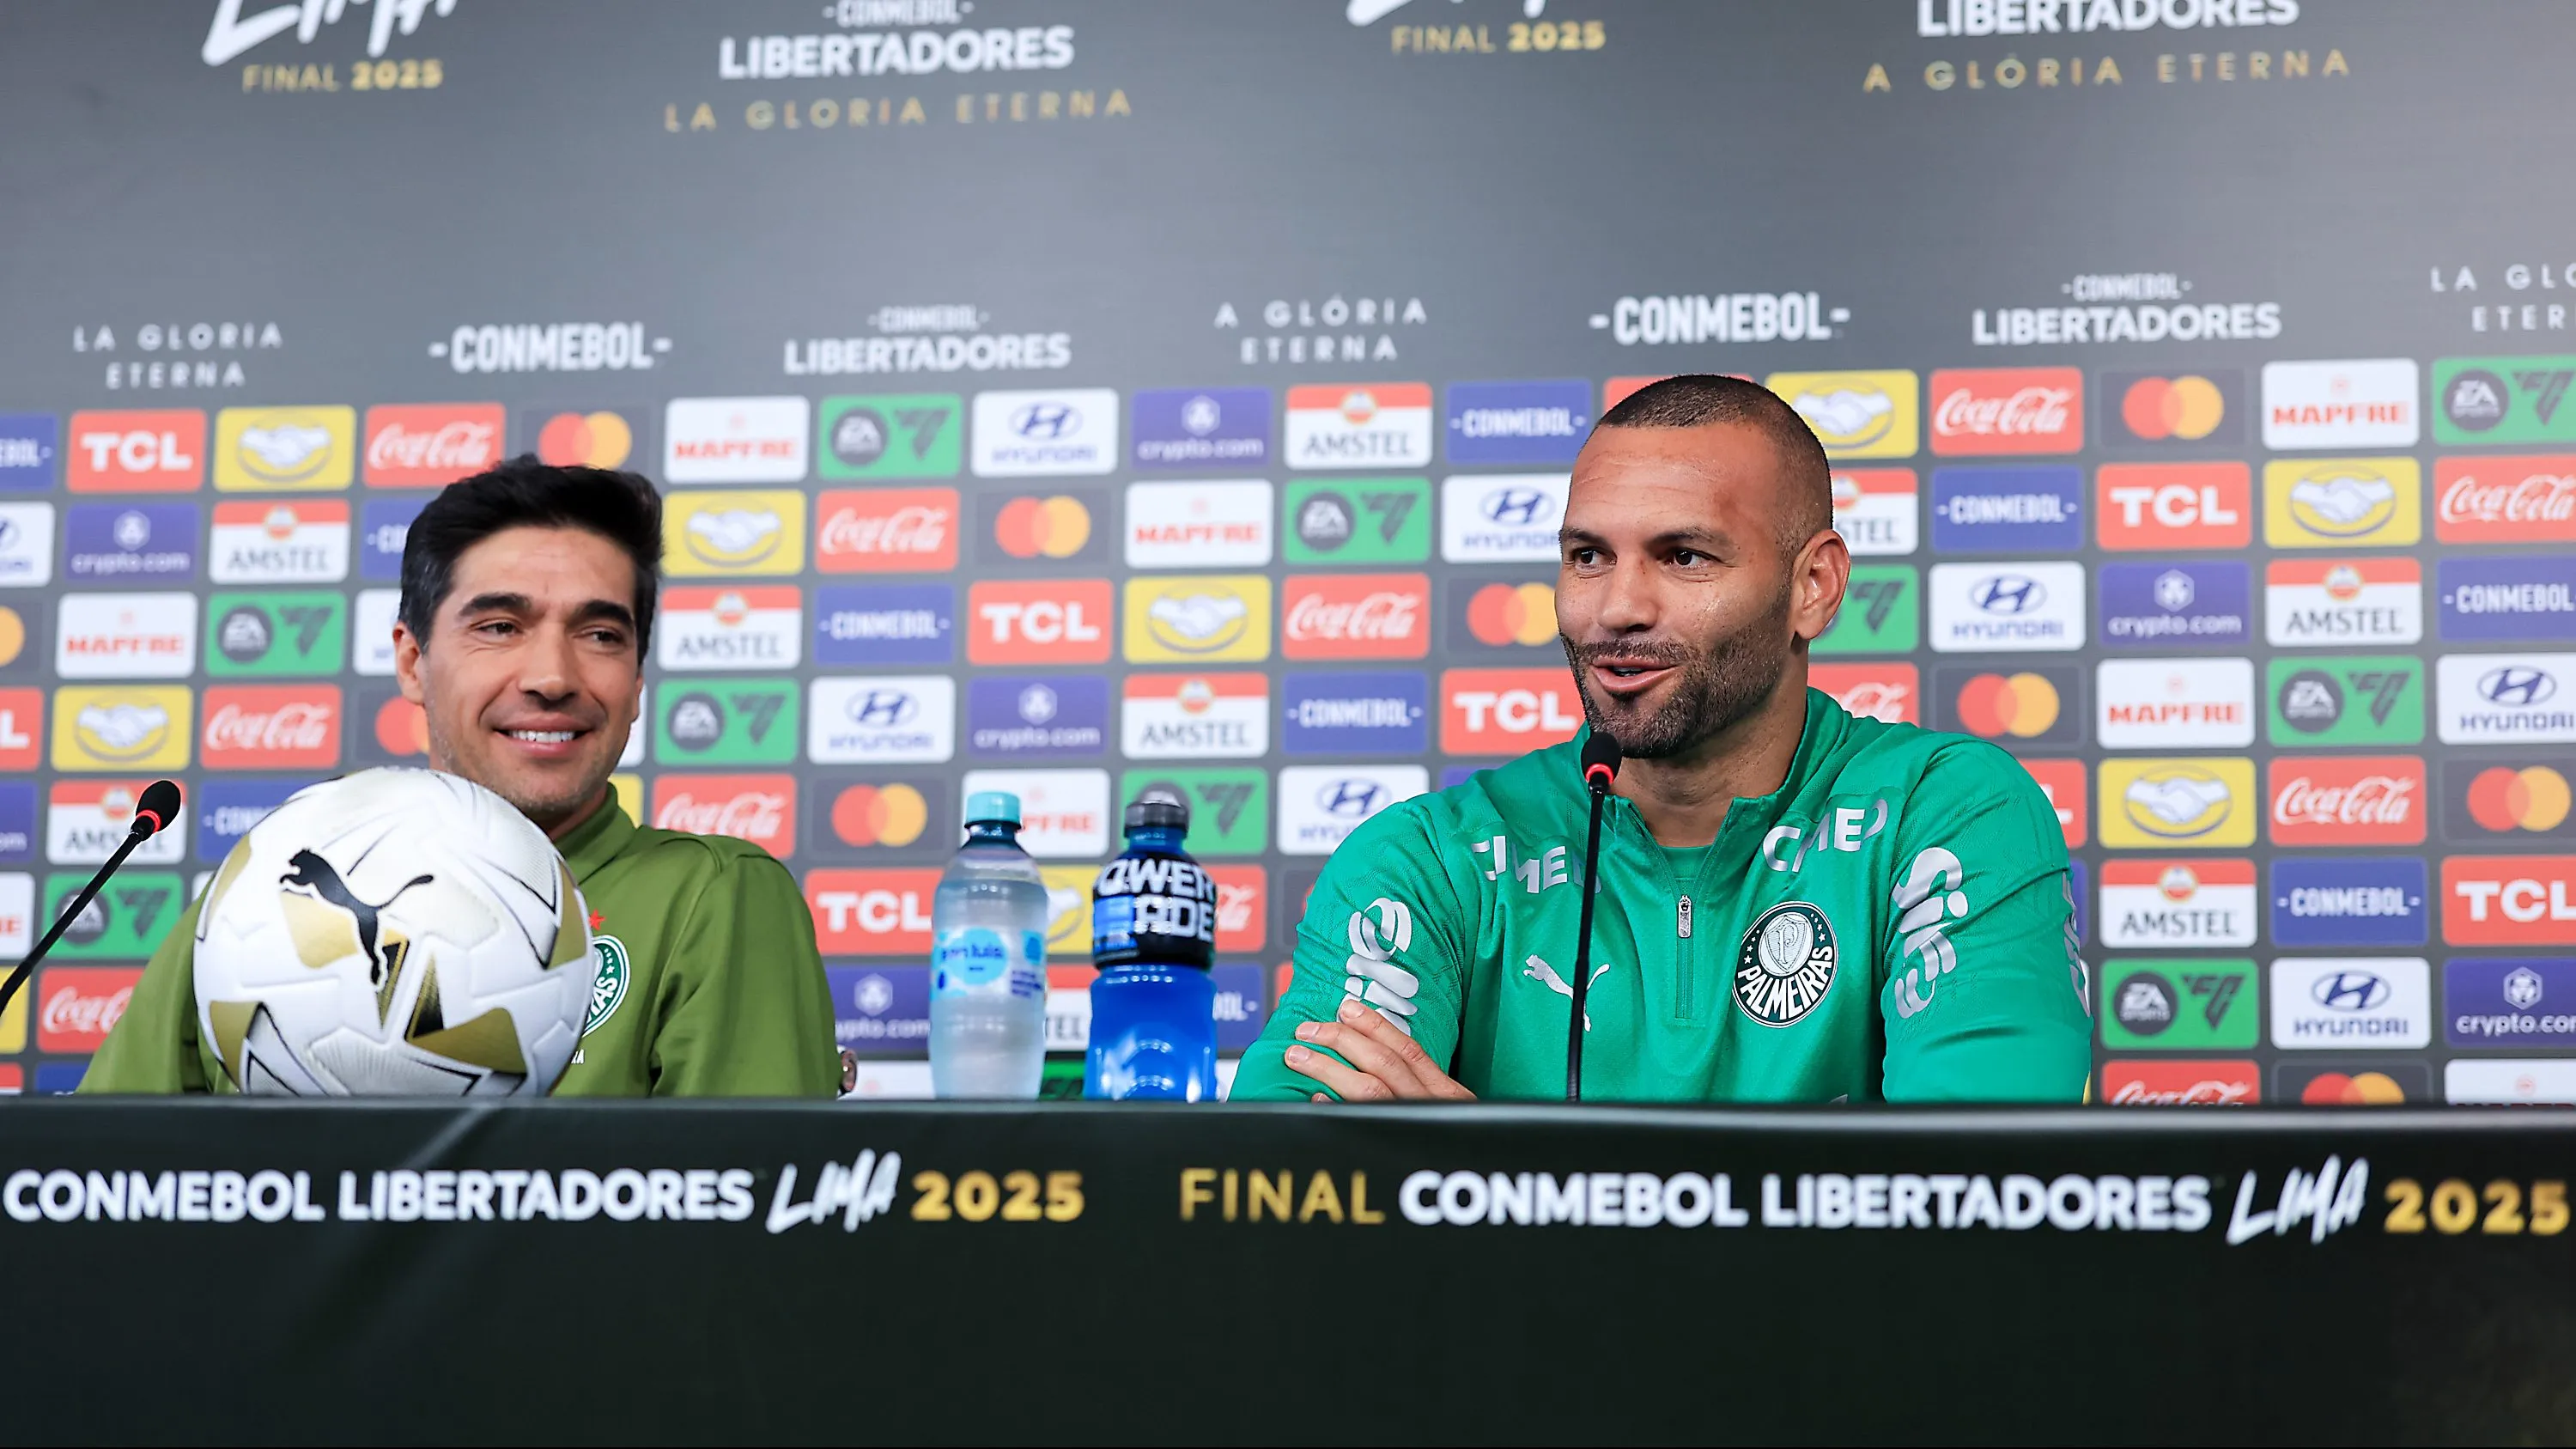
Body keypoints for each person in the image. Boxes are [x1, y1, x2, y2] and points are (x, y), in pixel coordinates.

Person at [1232, 374, 2091, 1103]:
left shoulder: (1944, 814)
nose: (1616, 608)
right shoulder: (1430, 859)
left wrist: (1489, 1180)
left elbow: (1980, 1194)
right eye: (1588, 557)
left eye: (1683, 557)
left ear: (1815, 586)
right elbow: (1289, 1198)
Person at [85, 457, 840, 1097]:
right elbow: (95, 1192)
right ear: (413, 661)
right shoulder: (256, 893)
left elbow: (744, 1239)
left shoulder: (711, 896)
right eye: (500, 627)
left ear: (638, 680)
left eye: (601, 633)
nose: (552, 676)